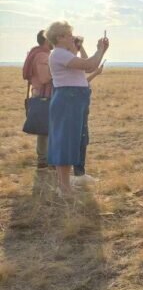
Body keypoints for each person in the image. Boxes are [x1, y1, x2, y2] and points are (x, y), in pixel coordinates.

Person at [45, 22, 108, 195]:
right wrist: (100, 49)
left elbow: (91, 65)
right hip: (68, 99)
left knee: (70, 141)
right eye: (68, 35)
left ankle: (65, 186)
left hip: (72, 99)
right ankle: (64, 188)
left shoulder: (63, 53)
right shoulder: (58, 54)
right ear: (59, 38)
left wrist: (101, 50)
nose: (72, 37)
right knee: (65, 142)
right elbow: (90, 65)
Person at [72, 41, 104, 185]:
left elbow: (88, 65)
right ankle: (78, 173)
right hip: (76, 101)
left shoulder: (72, 59)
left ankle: (78, 172)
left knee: (81, 136)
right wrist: (96, 73)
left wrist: (82, 46)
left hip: (80, 100)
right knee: (79, 137)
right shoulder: (69, 60)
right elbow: (88, 68)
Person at [23, 30, 52, 169]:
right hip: (44, 96)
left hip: (42, 95)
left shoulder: (40, 53)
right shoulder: (42, 55)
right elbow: (44, 78)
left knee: (44, 128)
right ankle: (44, 160)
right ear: (47, 40)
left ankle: (44, 159)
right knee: (45, 129)